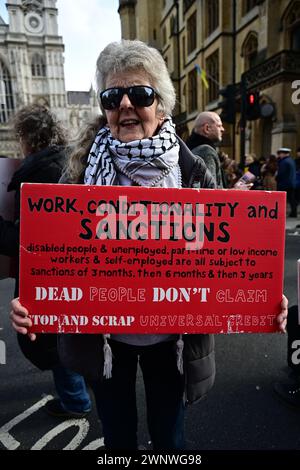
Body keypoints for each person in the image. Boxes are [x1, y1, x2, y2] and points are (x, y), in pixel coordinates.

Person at [10, 40, 288, 451]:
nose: (124, 104)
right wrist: (29, 303)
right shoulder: (79, 173)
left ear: (161, 105)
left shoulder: (193, 172)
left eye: (139, 94)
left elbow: (229, 254)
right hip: (105, 342)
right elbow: (50, 259)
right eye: (111, 95)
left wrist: (262, 298)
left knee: (169, 438)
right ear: (104, 106)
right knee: (118, 439)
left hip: (171, 342)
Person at [0, 104, 91, 419]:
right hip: (72, 275)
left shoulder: (40, 174)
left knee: (53, 341)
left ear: (27, 138)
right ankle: (84, 389)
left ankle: (76, 402)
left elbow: (26, 241)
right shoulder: (68, 163)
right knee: (71, 334)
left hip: (48, 278)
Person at [185, 111, 226, 188]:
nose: (223, 129)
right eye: (219, 126)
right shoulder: (206, 151)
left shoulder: (190, 148)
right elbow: (211, 192)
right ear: (207, 128)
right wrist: (234, 191)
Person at [276, 147, 297, 217]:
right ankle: (294, 212)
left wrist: (277, 179)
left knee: (281, 199)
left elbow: (281, 173)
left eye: (280, 153)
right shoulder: (291, 160)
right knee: (292, 199)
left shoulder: (284, 162)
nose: (279, 155)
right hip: (291, 183)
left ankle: (280, 213)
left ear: (284, 154)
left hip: (284, 183)